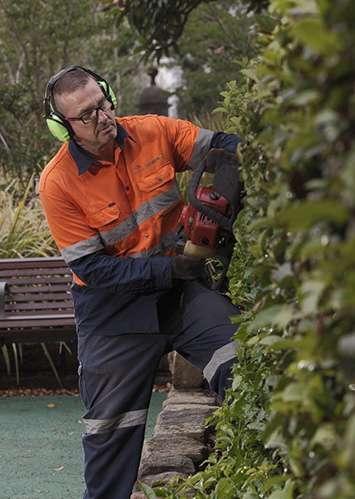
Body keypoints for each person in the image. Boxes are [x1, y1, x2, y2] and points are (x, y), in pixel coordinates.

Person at [39, 65, 241, 499]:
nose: (103, 118)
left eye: (102, 104)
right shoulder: (57, 184)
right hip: (113, 312)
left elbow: (224, 146)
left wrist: (226, 180)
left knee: (242, 358)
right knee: (110, 430)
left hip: (180, 294)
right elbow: (92, 269)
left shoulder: (153, 131)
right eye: (87, 115)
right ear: (63, 128)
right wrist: (169, 270)